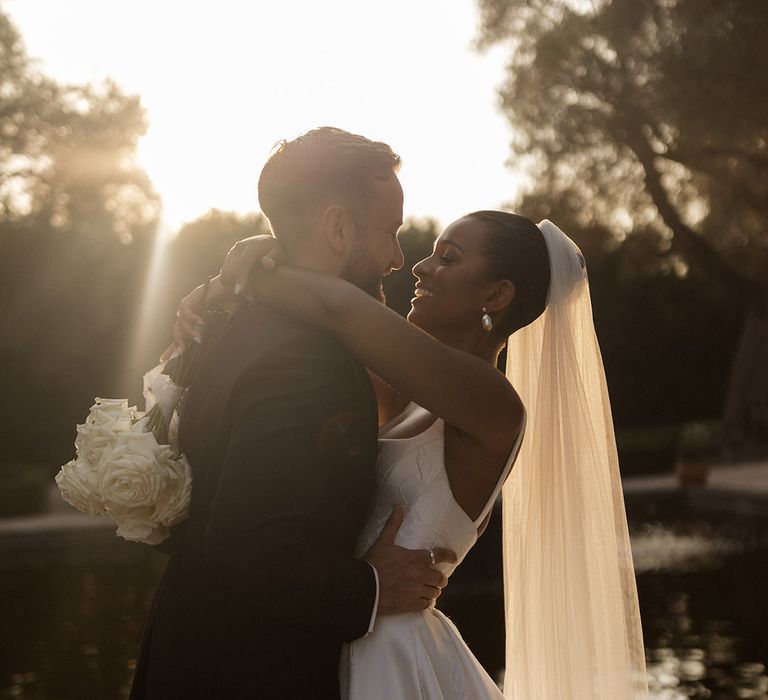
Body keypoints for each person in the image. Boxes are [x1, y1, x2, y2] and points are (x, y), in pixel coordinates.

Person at [174, 212, 649, 698]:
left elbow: (338, 309)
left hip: (393, 656)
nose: (419, 267)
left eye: (447, 258)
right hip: (341, 626)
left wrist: (242, 274)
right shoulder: (404, 395)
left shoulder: (492, 403)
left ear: (496, 296)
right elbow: (319, 334)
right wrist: (245, 261)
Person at [128, 127, 457, 700]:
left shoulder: (227, 324)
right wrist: (372, 588)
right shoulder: (306, 362)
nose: (398, 257)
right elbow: (249, 545)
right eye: (391, 231)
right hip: (250, 674)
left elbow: (200, 516)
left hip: (189, 653)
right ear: (337, 227)